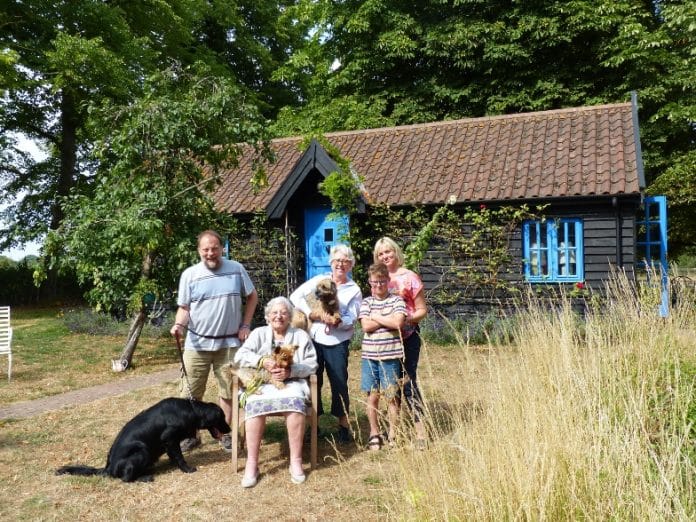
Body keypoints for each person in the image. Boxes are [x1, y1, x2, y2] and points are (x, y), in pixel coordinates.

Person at [170, 230, 258, 452]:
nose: (211, 253)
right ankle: (191, 434)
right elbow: (184, 308)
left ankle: (224, 434)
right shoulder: (189, 275)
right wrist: (179, 325)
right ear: (199, 251)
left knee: (228, 390)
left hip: (229, 344)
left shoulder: (236, 269)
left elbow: (252, 296)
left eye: (215, 248)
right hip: (196, 344)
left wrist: (246, 325)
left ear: (222, 248)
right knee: (190, 393)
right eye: (206, 249)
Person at [233, 297, 318, 488]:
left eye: (284, 313)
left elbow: (312, 364)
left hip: (292, 383)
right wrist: (261, 361)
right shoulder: (258, 333)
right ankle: (252, 464)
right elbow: (240, 356)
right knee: (254, 404)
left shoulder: (300, 336)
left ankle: (295, 461)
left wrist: (291, 371)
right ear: (267, 316)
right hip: (262, 382)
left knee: (296, 403)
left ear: (290, 317)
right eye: (274, 313)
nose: (279, 316)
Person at [290, 244, 362, 444]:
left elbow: (354, 317)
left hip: (337, 341)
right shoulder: (319, 281)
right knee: (313, 381)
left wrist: (338, 321)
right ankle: (313, 426)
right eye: (337, 260)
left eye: (345, 261)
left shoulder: (353, 289)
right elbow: (295, 296)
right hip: (313, 339)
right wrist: (311, 313)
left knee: (339, 381)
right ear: (331, 262)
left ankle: (343, 427)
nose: (341, 264)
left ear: (350, 265)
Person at [373, 237, 428, 448]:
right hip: (385, 339)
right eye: (380, 254)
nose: (385, 256)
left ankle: (421, 433)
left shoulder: (410, 277)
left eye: (388, 252)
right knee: (390, 385)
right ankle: (393, 432)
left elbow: (422, 309)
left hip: (408, 337)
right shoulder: (378, 278)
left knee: (408, 382)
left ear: (396, 252)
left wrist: (407, 319)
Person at [359, 263, 407, 450]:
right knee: (372, 396)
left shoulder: (397, 301)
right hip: (370, 356)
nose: (378, 285)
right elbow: (365, 326)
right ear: (370, 283)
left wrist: (376, 317)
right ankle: (374, 433)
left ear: (388, 281)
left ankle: (394, 433)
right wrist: (385, 320)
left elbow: (398, 323)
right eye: (374, 282)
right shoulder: (366, 302)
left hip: (391, 356)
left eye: (382, 281)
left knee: (392, 396)